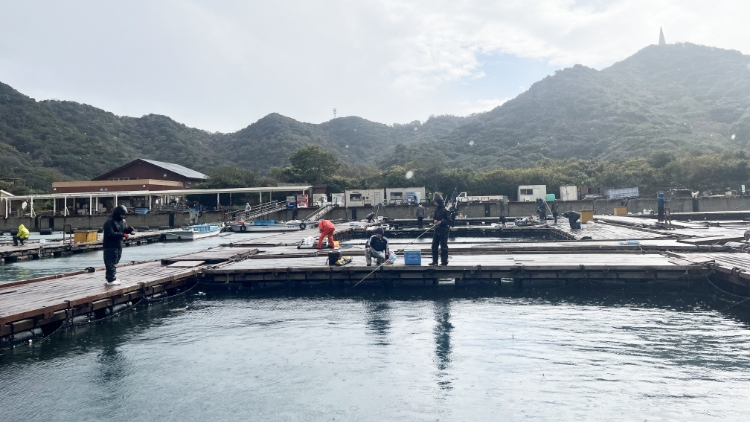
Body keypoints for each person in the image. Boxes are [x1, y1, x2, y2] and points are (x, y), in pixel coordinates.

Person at [102, 205, 134, 286]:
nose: (123, 216)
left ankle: (112, 277)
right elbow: (110, 234)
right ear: (117, 214)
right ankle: (110, 279)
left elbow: (124, 229)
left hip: (118, 244)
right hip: (109, 245)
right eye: (122, 215)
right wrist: (122, 235)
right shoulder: (109, 222)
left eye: (124, 215)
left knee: (116, 260)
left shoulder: (122, 221)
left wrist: (129, 230)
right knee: (111, 261)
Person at [430, 194, 451, 266]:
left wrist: (441, 222)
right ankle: (435, 261)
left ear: (439, 202)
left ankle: (444, 261)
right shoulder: (436, 210)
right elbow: (434, 218)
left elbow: (449, 221)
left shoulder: (445, 210)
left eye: (436, 202)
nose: (435, 203)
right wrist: (435, 221)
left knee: (443, 246)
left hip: (444, 230)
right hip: (437, 230)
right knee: (434, 246)